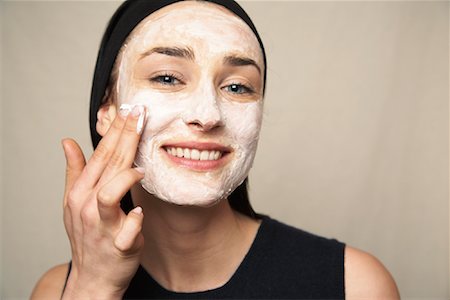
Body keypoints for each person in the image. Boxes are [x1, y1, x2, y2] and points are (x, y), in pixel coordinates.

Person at [31, 0, 400, 299]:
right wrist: (94, 287)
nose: (207, 115)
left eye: (238, 87)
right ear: (108, 112)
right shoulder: (58, 291)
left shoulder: (355, 285)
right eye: (167, 78)